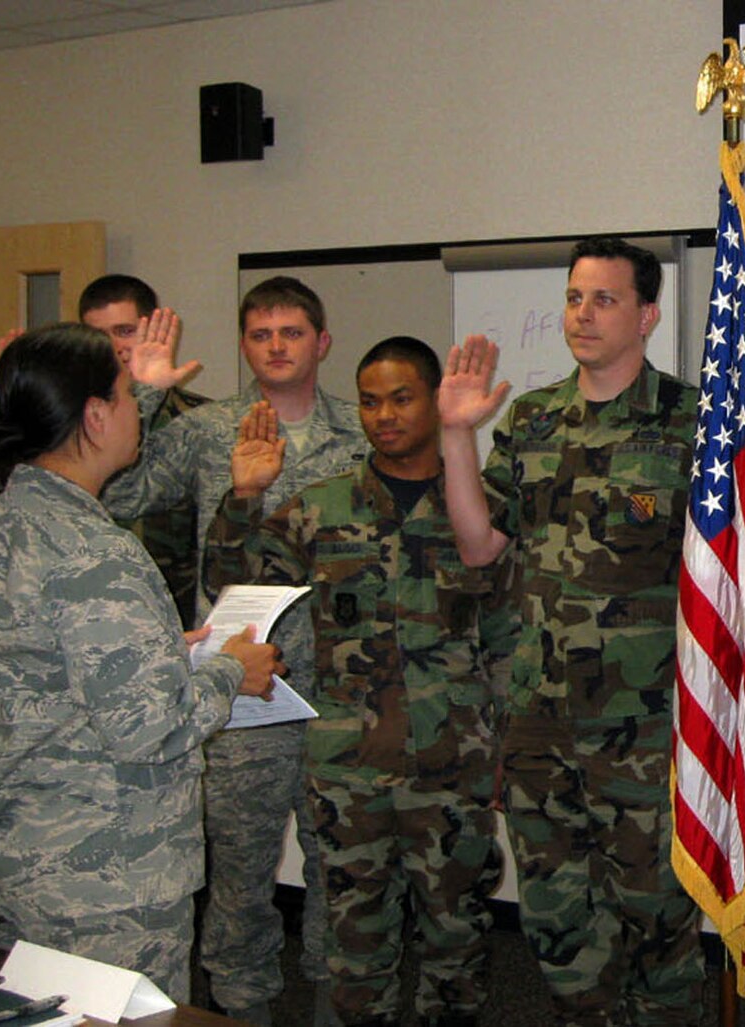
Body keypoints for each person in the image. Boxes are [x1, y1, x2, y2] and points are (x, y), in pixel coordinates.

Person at [0, 322, 279, 1002]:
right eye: (126, 394)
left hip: (8, 860)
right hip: (108, 885)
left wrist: (159, 650)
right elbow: (150, 726)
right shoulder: (97, 551)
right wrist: (228, 671)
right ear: (95, 416)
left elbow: (37, 673)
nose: (135, 410)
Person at [437, 237, 705, 1023]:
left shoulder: (690, 424)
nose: (582, 315)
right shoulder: (533, 418)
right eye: (574, 297)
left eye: (605, 299)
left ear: (649, 314)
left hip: (646, 729)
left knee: (659, 925)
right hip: (541, 726)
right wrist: (458, 436)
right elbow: (479, 544)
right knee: (558, 930)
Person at [206, 337, 511, 1027]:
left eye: (401, 398)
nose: (383, 416)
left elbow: (508, 632)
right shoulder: (321, 505)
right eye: (370, 401)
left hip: (451, 765)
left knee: (455, 941)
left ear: (435, 401)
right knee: (355, 950)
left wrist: (507, 748)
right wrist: (244, 498)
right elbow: (234, 590)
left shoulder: (481, 505)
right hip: (348, 771)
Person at [104, 275, 367, 1023]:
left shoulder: (359, 432)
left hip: (341, 687)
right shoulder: (204, 432)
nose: (276, 346)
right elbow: (116, 494)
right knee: (241, 870)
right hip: (240, 688)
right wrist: (145, 393)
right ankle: (241, 1005)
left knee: (340, 867)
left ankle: (330, 997)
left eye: (291, 332)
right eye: (260, 334)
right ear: (244, 346)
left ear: (320, 342)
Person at [0, 273, 210, 626]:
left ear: (153, 328)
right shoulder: (50, 413)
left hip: (161, 619)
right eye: (97, 335)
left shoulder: (196, 420)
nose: (112, 347)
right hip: (52, 617)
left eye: (124, 331)